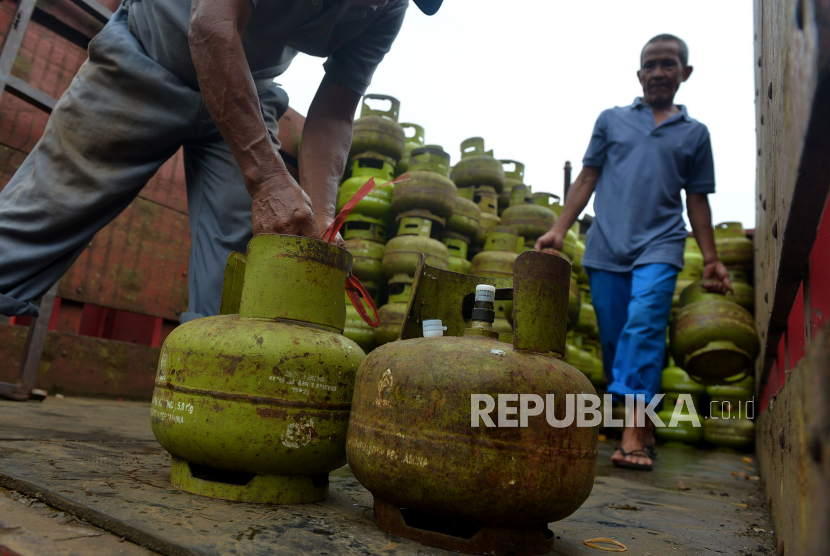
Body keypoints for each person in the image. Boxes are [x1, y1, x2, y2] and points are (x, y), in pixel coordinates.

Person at [0, 0, 442, 323]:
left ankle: (206, 409)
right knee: (41, 217)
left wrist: (324, 219)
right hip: (151, 55)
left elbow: (334, 111)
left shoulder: (388, 9)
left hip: (246, 92)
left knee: (242, 277)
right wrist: (268, 180)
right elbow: (211, 25)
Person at [535, 34, 731, 471]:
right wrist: (558, 230)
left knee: (643, 328)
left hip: (660, 245)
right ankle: (641, 424)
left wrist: (712, 257)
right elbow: (586, 178)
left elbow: (697, 200)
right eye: (651, 64)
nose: (659, 72)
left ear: (685, 72)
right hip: (606, 247)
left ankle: (633, 436)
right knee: (615, 339)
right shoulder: (611, 120)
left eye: (669, 64)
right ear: (639, 73)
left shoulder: (696, 134)